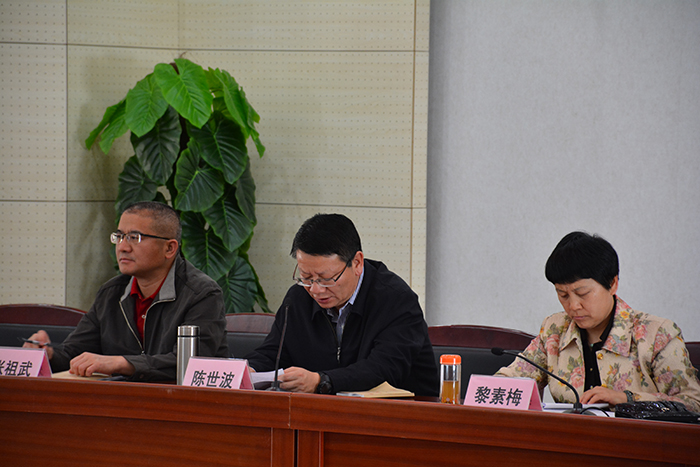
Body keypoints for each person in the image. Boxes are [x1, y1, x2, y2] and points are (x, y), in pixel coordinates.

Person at [23, 201, 228, 381]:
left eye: (134, 237)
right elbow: (75, 352)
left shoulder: (202, 294)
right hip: (119, 402)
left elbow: (191, 363)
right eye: (119, 236)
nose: (123, 247)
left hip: (182, 404)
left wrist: (122, 363)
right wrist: (48, 354)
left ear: (169, 248)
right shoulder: (111, 292)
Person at [496, 231, 700, 411]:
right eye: (563, 295)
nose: (573, 305)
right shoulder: (555, 329)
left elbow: (692, 404)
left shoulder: (656, 334)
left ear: (612, 284)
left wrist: (626, 399)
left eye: (582, 293)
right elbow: (510, 381)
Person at [245, 213, 439, 397]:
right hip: (320, 413)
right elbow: (274, 353)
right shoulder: (298, 298)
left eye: (326, 279)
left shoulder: (396, 300)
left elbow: (384, 368)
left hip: (401, 412)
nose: (316, 289)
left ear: (357, 263)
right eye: (306, 277)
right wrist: (250, 370)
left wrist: (321, 381)